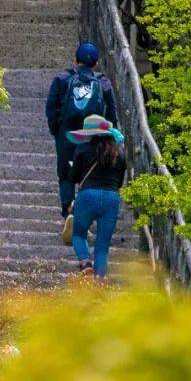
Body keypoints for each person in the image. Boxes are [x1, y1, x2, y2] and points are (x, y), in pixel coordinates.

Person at [46, 43, 117, 225]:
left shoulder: (62, 79)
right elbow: (112, 113)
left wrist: (57, 130)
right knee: (89, 175)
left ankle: (68, 211)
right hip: (94, 136)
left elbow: (51, 108)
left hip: (67, 134)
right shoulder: (103, 83)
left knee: (66, 175)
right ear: (96, 64)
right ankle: (85, 215)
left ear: (75, 61)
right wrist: (110, 135)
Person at [67, 115, 127, 277]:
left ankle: (86, 263)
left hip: (88, 195)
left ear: (89, 133)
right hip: (111, 198)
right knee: (102, 246)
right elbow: (120, 182)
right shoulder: (120, 153)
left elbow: (73, 178)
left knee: (78, 234)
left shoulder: (83, 149)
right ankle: (100, 282)